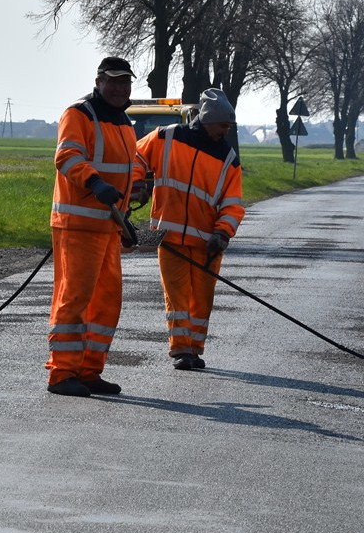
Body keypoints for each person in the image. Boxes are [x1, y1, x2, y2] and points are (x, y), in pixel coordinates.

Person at [45, 56, 140, 398]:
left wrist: (124, 217)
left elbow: (127, 174)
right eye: (113, 81)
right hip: (78, 225)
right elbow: (67, 156)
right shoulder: (79, 113)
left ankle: (88, 370)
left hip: (108, 228)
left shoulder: (124, 123)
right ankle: (62, 373)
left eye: (125, 82)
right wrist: (94, 182)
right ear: (98, 81)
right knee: (74, 298)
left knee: (107, 302)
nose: (119, 88)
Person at [133, 87, 244, 371]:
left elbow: (233, 205)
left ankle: (195, 349)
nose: (226, 131)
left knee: (202, 299)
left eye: (229, 126)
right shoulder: (166, 136)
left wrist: (222, 233)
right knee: (177, 296)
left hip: (208, 242)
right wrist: (138, 184)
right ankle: (181, 350)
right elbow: (136, 157)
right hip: (166, 237)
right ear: (207, 120)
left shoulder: (228, 158)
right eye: (222, 125)